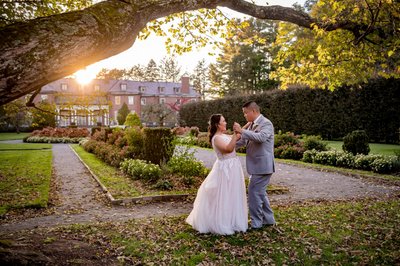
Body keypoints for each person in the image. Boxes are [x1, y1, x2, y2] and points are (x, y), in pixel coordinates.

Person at [186, 114, 248, 235]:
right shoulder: (216, 138)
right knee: (224, 194)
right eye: (223, 121)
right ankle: (221, 221)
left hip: (233, 167)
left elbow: (236, 136)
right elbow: (229, 149)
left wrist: (245, 126)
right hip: (225, 169)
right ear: (217, 125)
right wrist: (236, 135)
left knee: (232, 193)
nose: (226, 123)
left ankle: (232, 220)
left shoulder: (223, 135)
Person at [233, 101, 276, 230]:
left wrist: (242, 130)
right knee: (260, 194)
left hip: (263, 166)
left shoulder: (266, 123)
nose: (245, 115)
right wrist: (226, 144)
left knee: (254, 193)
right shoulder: (251, 125)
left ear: (253, 111)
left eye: (246, 113)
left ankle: (256, 223)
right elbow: (243, 141)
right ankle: (268, 220)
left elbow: (261, 137)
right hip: (256, 166)